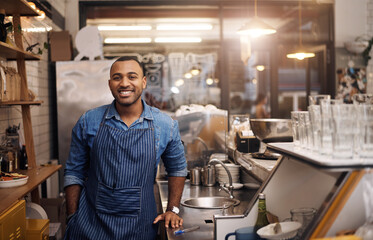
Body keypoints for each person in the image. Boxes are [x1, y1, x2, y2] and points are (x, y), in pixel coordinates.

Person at [64, 56, 187, 239]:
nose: (124, 83)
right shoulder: (88, 121)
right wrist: (72, 216)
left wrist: (173, 209)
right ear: (110, 83)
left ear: (143, 82)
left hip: (140, 228)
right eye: (117, 77)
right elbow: (74, 171)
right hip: (90, 227)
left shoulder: (165, 125)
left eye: (132, 76)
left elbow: (177, 168)